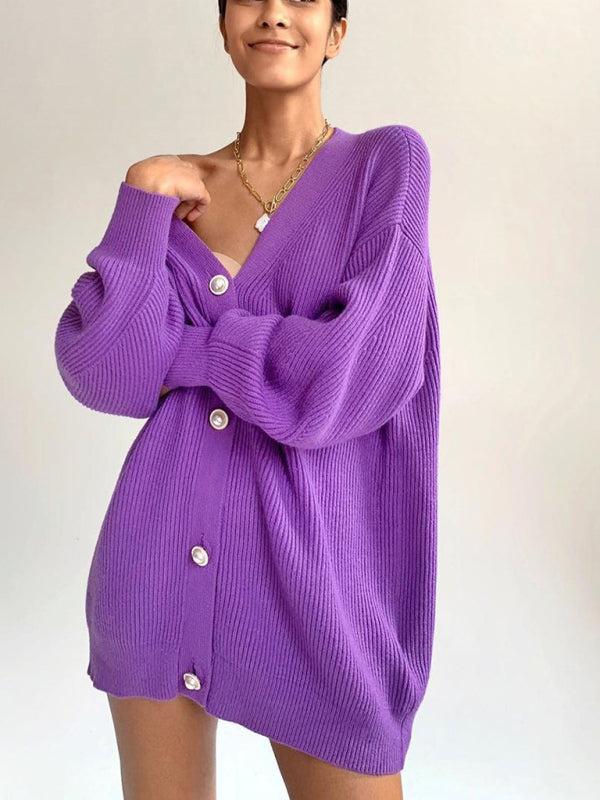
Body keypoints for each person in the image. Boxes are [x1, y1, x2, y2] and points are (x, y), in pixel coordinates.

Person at [54, 1, 440, 798]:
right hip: (154, 563)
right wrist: (139, 204)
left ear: (336, 33)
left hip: (315, 580)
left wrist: (189, 351)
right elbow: (106, 372)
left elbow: (352, 371)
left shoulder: (384, 164)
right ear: (224, 25)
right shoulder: (173, 190)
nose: (272, 14)